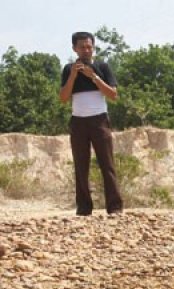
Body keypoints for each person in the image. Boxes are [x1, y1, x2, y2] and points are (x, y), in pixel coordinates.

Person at [59, 31, 123, 216]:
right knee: (81, 166)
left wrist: (93, 76)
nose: (87, 50)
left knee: (107, 164)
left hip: (100, 120)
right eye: (82, 47)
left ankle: (115, 207)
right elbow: (63, 98)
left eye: (90, 47)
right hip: (78, 122)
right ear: (74, 49)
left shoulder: (102, 66)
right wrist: (73, 75)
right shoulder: (68, 68)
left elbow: (113, 95)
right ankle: (84, 209)